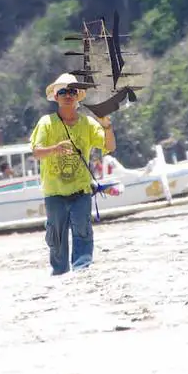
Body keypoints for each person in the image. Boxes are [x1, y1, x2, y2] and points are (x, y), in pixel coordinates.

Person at [30, 73, 116, 276]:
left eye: (72, 91)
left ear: (78, 96)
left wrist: (107, 125)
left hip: (81, 188)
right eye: (63, 92)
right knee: (56, 236)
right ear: (56, 96)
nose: (68, 95)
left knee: (82, 230)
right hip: (54, 191)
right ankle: (59, 271)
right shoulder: (46, 123)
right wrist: (55, 149)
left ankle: (82, 268)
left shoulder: (87, 123)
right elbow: (36, 152)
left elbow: (109, 146)